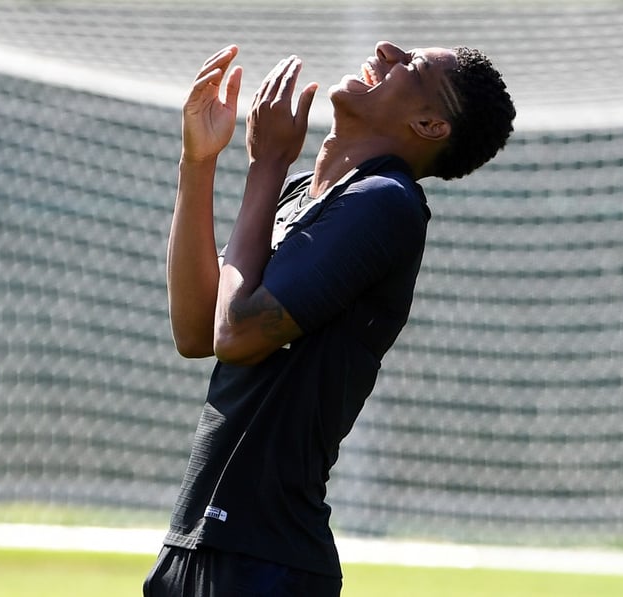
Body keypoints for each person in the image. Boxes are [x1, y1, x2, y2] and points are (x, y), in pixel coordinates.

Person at [146, 41, 515, 596]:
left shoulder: (385, 201)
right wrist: (198, 161)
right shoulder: (304, 194)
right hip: (196, 543)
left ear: (429, 124)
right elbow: (197, 329)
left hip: (265, 564)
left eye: (411, 65)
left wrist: (266, 164)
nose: (387, 52)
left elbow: (236, 331)